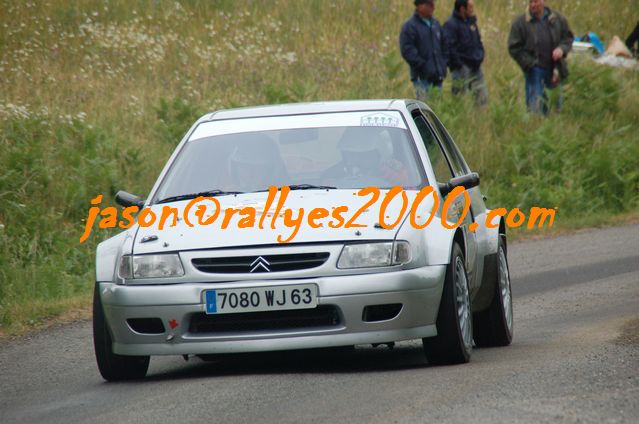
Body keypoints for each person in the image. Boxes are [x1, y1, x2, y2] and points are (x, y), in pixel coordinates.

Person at [508, 0, 573, 114]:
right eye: (530, 2)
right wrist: (530, 64)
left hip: (555, 70)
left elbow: (568, 38)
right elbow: (514, 48)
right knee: (535, 111)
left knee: (556, 110)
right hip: (534, 72)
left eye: (536, 1)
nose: (533, 5)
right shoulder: (521, 23)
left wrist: (561, 49)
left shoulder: (557, 19)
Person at [400, 0, 449, 101]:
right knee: (424, 109)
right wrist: (423, 65)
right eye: (429, 5)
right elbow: (407, 50)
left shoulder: (436, 24)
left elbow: (444, 45)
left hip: (437, 77)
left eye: (433, 4)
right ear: (419, 6)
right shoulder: (410, 26)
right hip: (421, 78)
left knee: (436, 109)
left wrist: (443, 64)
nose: (433, 7)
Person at [443, 0, 488, 105]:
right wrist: (459, 64)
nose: (472, 10)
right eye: (470, 7)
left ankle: (479, 119)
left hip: (476, 66)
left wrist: (480, 56)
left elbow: (478, 41)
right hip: (461, 68)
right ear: (462, 9)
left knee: (482, 98)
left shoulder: (471, 23)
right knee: (459, 99)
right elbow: (449, 47)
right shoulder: (451, 25)